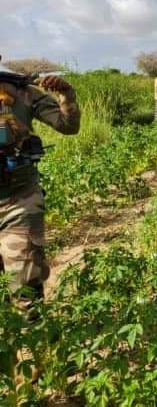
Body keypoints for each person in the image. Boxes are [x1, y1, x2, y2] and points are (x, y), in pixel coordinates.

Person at [0, 62, 80, 311]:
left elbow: (68, 126)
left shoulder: (21, 92)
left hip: (17, 202)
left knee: (25, 293)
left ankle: (34, 346)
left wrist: (66, 95)